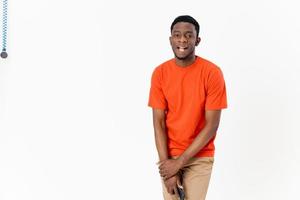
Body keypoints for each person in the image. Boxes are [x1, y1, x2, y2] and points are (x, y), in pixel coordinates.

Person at [148, 15, 227, 200]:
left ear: (197, 40)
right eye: (177, 35)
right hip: (169, 155)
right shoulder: (160, 73)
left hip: (200, 155)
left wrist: (180, 163)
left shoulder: (212, 73)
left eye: (189, 35)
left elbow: (211, 126)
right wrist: (168, 167)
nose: (182, 40)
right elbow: (158, 123)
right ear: (170, 39)